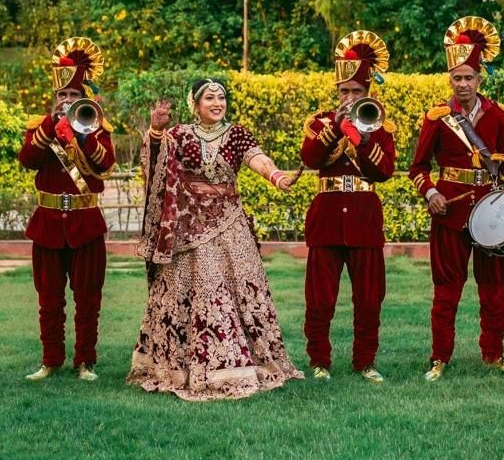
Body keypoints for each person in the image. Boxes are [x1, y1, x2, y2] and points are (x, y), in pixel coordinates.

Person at [127, 78, 304, 401]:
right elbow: (153, 168)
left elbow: (257, 159)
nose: (217, 103)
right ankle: (179, 369)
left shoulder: (236, 134)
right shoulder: (178, 135)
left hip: (229, 225)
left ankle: (239, 366)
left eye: (221, 97)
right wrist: (154, 132)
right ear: (195, 103)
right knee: (191, 290)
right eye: (209, 98)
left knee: (237, 292)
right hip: (188, 228)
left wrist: (276, 176)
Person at [408, 16, 504, 382]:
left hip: (492, 215)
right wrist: (430, 192)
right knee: (446, 291)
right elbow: (417, 167)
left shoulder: (498, 115)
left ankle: (494, 354)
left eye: (469, 77)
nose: (463, 84)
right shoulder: (437, 118)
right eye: (457, 78)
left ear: (480, 78)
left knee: (494, 290)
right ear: (450, 79)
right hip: (448, 212)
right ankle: (439, 358)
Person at [300, 31, 397, 383]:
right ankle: (319, 361)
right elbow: (310, 158)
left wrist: (363, 137)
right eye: (345, 91)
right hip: (326, 220)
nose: (350, 97)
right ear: (337, 91)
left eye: (357, 92)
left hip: (364, 220)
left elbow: (383, 171)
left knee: (370, 299)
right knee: (320, 299)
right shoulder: (319, 122)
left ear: (367, 92)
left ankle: (365, 362)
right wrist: (335, 130)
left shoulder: (379, 125)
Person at [18, 37, 116, 382]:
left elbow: (105, 166)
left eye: (74, 96)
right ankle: (50, 360)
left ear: (85, 99)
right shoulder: (39, 128)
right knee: (49, 300)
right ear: (54, 98)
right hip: (47, 224)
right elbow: (27, 159)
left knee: (88, 299)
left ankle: (85, 361)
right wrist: (49, 126)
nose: (68, 101)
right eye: (63, 96)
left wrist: (83, 136)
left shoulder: (96, 129)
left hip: (85, 223)